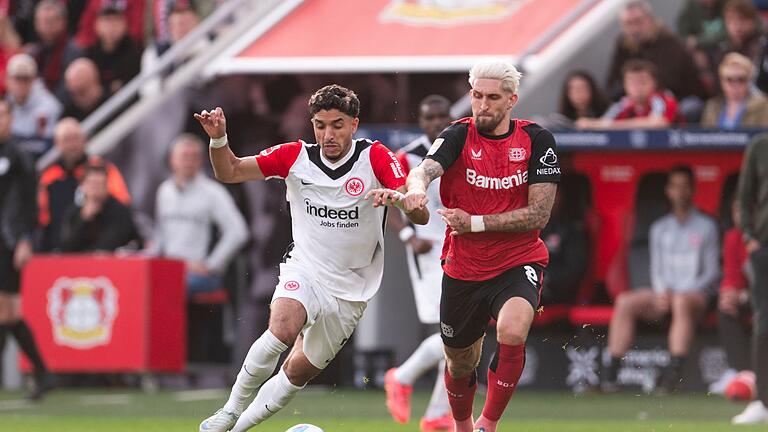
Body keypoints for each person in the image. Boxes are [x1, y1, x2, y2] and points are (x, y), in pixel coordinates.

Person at [194, 84, 429, 432]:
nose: (328, 134)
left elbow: (418, 212)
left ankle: (239, 426)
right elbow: (229, 171)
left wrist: (403, 199)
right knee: (282, 328)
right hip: (306, 268)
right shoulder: (294, 156)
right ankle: (229, 412)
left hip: (352, 287)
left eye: (337, 124)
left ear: (353, 124)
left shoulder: (375, 157)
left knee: (297, 372)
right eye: (320, 125)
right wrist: (218, 140)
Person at [402, 58, 561, 432]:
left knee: (512, 330)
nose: (483, 104)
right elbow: (423, 169)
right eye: (477, 95)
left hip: (518, 259)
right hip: (465, 267)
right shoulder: (457, 134)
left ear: (511, 100)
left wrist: (473, 222)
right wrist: (415, 191)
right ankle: (462, 426)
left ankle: (488, 425)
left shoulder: (538, 140)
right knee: (459, 362)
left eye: (492, 97)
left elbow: (538, 215)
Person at [603, 166, 720, 394]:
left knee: (681, 302)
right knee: (626, 301)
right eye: (675, 186)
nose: (680, 192)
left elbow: (712, 272)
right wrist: (661, 291)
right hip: (664, 294)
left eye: (685, 187)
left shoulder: (707, 226)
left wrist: (678, 294)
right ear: (668, 190)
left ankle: (673, 374)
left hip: (695, 295)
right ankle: (611, 372)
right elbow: (656, 267)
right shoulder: (659, 228)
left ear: (693, 190)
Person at [383, 94, 453, 432]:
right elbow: (391, 202)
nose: (437, 122)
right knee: (452, 333)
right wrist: (409, 238)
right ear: (422, 121)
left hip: (463, 247)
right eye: (430, 117)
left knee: (461, 334)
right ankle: (403, 376)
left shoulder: (459, 150)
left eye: (443, 116)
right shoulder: (408, 155)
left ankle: (439, 413)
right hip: (428, 251)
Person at [0, 99, 53, 400]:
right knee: (6, 314)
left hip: (9, 241)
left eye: (3, 116)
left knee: (6, 311)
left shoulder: (19, 156)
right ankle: (44, 374)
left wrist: (24, 239)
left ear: (11, 119)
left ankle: (44, 373)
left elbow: (30, 203)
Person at [150, 133, 248, 296]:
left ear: (201, 161)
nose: (189, 162)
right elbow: (160, 236)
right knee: (140, 281)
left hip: (197, 273)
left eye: (194, 157)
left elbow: (238, 232)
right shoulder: (164, 191)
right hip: (167, 268)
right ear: (172, 160)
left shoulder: (212, 192)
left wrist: (211, 265)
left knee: (166, 287)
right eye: (184, 156)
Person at [37, 118, 130, 251]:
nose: (72, 145)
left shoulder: (103, 169)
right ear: (57, 143)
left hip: (101, 247)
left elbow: (121, 207)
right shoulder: (49, 177)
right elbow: (43, 218)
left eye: (75, 138)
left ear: (84, 139)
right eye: (66, 139)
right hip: (61, 249)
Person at [606, 1, 706, 111]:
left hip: (678, 99)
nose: (634, 29)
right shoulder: (623, 45)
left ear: (649, 19)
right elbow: (613, 81)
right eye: (628, 24)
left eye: (638, 21)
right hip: (637, 101)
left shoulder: (669, 42)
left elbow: (669, 82)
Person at [733, 133, 768, 424]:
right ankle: (763, 401)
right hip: (765, 247)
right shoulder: (760, 146)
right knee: (764, 322)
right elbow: (744, 198)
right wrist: (749, 236)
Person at [710, 201, 752, 394]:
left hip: (761, 298)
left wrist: (743, 295)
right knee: (726, 308)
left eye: (744, 209)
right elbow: (731, 277)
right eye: (736, 210)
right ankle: (741, 373)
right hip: (752, 298)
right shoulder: (733, 237)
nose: (740, 215)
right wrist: (730, 294)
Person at [59, 162, 141, 252]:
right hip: (80, 263)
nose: (96, 188)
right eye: (92, 184)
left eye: (100, 184)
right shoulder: (74, 212)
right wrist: (83, 219)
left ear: (107, 185)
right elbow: (66, 248)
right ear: (83, 186)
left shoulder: (119, 211)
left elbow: (107, 246)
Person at [577, 60, 681, 130]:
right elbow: (603, 123)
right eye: (632, 83)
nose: (637, 88)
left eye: (642, 82)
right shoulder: (622, 104)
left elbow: (659, 123)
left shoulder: (664, 99)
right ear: (624, 85)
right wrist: (588, 123)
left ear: (654, 83)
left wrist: (615, 126)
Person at [4, 52, 62, 159]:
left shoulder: (48, 106)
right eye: (17, 78)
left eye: (25, 79)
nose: (21, 84)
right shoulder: (5, 104)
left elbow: (44, 146)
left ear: (34, 80)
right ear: (7, 80)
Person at [701, 52, 768, 128]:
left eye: (741, 79)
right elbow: (705, 136)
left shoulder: (763, 106)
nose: (735, 84)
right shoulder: (711, 107)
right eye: (729, 79)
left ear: (749, 81)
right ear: (722, 81)